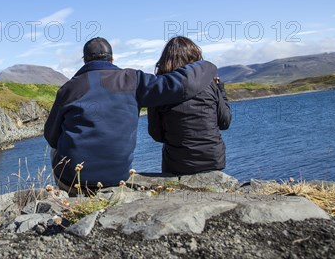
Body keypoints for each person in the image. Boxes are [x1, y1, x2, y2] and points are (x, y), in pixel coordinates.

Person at [44, 37, 218, 192]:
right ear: (112, 59)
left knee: (55, 150)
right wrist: (206, 66)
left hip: (75, 178)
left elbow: (51, 137)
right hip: (116, 176)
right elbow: (179, 85)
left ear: (85, 60)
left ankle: (69, 196)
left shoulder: (68, 89)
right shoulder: (133, 79)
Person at [147, 36, 231, 175]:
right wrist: (220, 88)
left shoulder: (160, 88)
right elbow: (225, 122)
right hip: (212, 160)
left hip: (177, 164)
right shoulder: (210, 84)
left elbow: (157, 135)